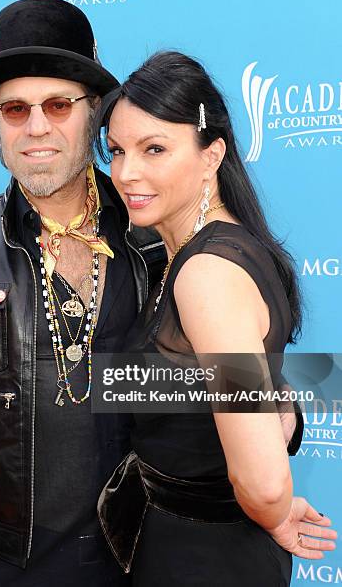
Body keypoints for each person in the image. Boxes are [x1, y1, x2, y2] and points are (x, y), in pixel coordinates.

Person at [0, 0, 169, 587]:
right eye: (15, 109)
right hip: (8, 566)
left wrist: (276, 422)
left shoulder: (153, 236)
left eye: (58, 104)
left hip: (143, 559)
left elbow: (210, 381)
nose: (36, 127)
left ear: (95, 112)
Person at [96, 51, 337, 586]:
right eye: (116, 151)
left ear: (212, 155)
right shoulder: (207, 254)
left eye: (154, 149)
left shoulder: (206, 273)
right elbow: (229, 390)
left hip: (205, 560)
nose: (126, 172)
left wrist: (275, 513)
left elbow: (265, 482)